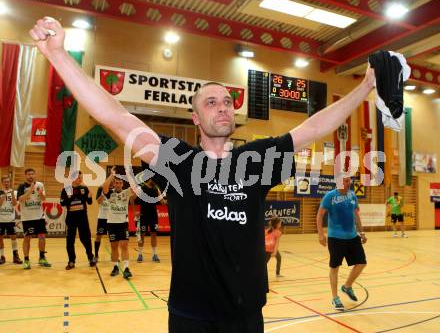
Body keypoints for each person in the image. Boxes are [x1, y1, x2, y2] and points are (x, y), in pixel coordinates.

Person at [30, 18, 375, 332]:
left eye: (226, 101)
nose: (222, 106)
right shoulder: (179, 161)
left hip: (246, 314)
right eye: (211, 103)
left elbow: (312, 128)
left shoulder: (255, 160)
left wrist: (363, 89)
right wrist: (59, 54)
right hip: (190, 315)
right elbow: (115, 116)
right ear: (195, 118)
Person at [316, 175, 367, 311]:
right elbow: (320, 215)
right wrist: (321, 234)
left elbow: (356, 214)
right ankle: (335, 298)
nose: (348, 182)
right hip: (336, 237)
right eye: (345, 180)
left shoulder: (352, 195)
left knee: (361, 263)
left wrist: (362, 232)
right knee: (335, 267)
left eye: (349, 180)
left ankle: (347, 286)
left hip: (352, 236)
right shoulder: (330, 196)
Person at [103, 167, 136, 279]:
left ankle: (126, 268)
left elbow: (135, 188)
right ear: (114, 184)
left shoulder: (126, 193)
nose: (118, 185)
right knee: (114, 246)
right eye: (116, 183)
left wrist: (128, 175)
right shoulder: (110, 194)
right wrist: (112, 175)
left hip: (123, 223)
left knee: (124, 245)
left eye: (120, 183)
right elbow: (104, 187)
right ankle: (115, 267)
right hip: (111, 224)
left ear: (123, 184)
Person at [60, 171, 96, 270]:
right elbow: (62, 203)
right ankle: (71, 261)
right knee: (70, 240)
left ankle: (90, 257)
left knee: (86, 239)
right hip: (71, 218)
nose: (80, 179)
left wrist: (90, 195)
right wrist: (68, 198)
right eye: (78, 178)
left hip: (82, 218)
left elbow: (89, 202)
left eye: (81, 177)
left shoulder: (84, 189)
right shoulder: (66, 190)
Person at [17, 168, 51, 269]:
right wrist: (30, 191)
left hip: (39, 216)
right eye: (28, 174)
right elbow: (20, 199)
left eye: (32, 174)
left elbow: (44, 198)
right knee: (27, 238)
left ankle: (42, 257)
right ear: (25, 176)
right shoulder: (21, 186)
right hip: (27, 218)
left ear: (35, 175)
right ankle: (26, 260)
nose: (30, 176)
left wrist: (41, 194)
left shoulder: (40, 185)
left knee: (42, 237)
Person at [134, 179, 164, 263]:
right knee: (142, 236)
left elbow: (162, 202)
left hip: (153, 216)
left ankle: (154, 255)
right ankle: (140, 254)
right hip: (143, 216)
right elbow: (132, 199)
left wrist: (173, 199)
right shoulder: (141, 189)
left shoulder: (156, 189)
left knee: (154, 235)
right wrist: (135, 211)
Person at [0, 175, 23, 264]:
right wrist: (4, 195)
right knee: (0, 238)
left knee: (13, 237)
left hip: (10, 219)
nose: (6, 183)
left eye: (7, 181)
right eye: (4, 181)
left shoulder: (15, 192)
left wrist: (12, 193)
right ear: (2, 183)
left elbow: (14, 204)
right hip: (0, 220)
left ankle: (15, 256)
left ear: (10, 182)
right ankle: (2, 256)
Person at [94, 183, 112, 261]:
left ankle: (114, 255)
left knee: (113, 238)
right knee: (98, 237)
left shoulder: (114, 190)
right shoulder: (100, 189)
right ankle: (96, 255)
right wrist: (103, 193)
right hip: (102, 217)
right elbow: (98, 201)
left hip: (112, 218)